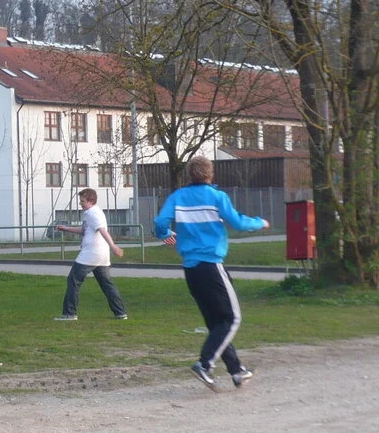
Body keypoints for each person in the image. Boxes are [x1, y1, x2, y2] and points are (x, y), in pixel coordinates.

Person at [154, 155, 269, 390]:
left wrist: (166, 234)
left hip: (190, 269)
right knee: (232, 318)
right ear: (210, 174)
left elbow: (159, 222)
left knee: (216, 321)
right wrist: (260, 223)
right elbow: (237, 223)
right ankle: (205, 364)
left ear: (189, 174)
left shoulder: (177, 197)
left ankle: (236, 370)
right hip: (211, 264)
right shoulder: (217, 197)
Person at [54, 188, 127, 321]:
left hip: (90, 254)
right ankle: (120, 313)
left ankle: (69, 314)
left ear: (91, 201)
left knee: (73, 280)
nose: (80, 204)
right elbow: (84, 230)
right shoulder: (92, 212)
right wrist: (66, 228)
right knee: (107, 284)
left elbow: (103, 231)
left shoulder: (93, 214)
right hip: (101, 256)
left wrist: (113, 246)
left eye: (82, 201)